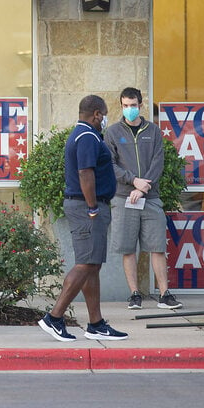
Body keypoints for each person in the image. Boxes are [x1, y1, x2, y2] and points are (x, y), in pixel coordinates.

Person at [38, 95, 128, 342]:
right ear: (96, 114)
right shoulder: (87, 136)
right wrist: (92, 208)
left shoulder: (82, 134)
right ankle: (54, 318)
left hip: (85, 205)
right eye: (104, 114)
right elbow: (85, 173)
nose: (105, 119)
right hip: (86, 207)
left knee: (92, 265)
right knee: (86, 264)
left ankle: (96, 323)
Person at [105, 87, 182, 311]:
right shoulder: (112, 133)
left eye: (133, 105)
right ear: (121, 106)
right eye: (126, 105)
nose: (130, 109)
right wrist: (133, 181)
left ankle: (164, 294)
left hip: (150, 197)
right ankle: (134, 294)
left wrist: (143, 186)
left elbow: (158, 162)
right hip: (123, 197)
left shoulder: (153, 131)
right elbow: (110, 165)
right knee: (128, 248)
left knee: (157, 246)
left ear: (141, 104)